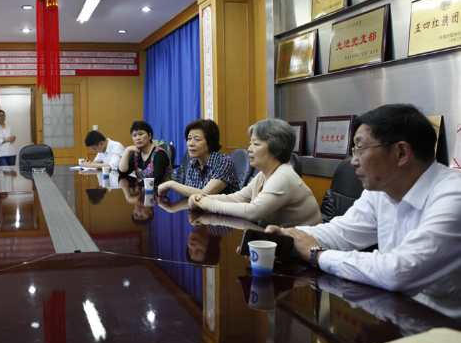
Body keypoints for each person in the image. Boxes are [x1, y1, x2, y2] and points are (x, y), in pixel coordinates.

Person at [266, 104, 461, 293]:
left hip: (435, 315)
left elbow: (398, 272)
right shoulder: (381, 189)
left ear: (401, 153)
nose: (354, 161)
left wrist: (317, 254)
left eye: (360, 149)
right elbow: (342, 232)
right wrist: (285, 239)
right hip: (391, 307)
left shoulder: (453, 197)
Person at [189, 118, 321, 228]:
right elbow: (238, 198)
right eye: (250, 143)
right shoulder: (263, 174)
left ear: (276, 149)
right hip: (280, 240)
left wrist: (210, 204)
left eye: (256, 144)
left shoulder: (283, 176)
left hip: (304, 246)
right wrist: (202, 198)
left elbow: (252, 212)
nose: (249, 149)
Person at [158, 119, 240, 197]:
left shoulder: (224, 162)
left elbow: (205, 194)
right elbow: (189, 194)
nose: (190, 144)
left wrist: (171, 184)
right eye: (189, 139)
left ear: (210, 143)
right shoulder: (192, 164)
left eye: (197, 139)